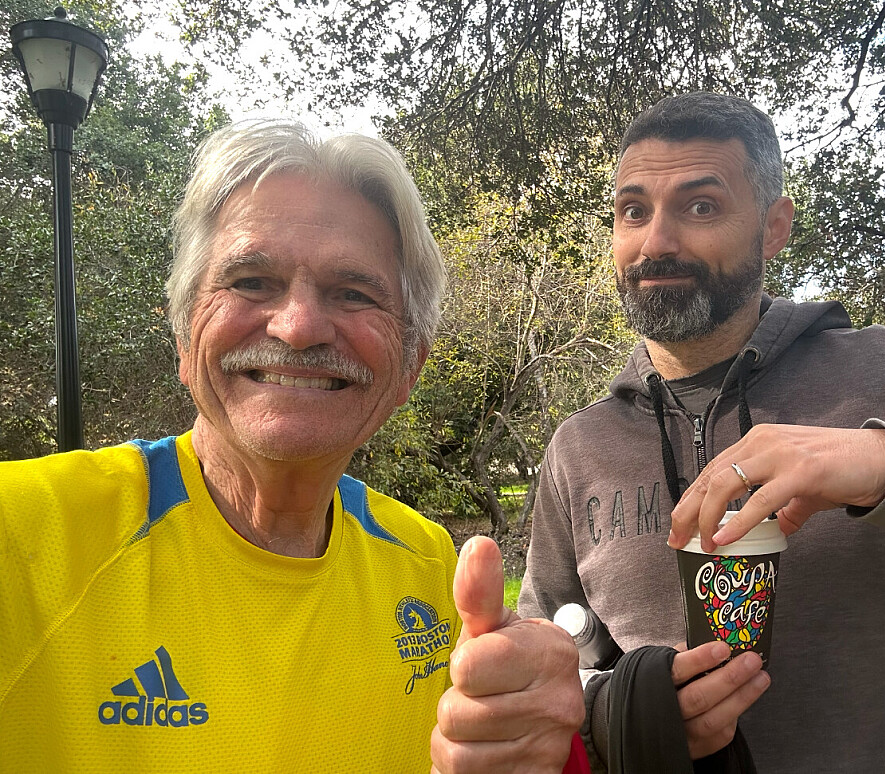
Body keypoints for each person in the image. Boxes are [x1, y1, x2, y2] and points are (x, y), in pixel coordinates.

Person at [0, 120, 584, 773]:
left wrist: (538, 740)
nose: (299, 326)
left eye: (353, 293)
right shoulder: (21, 535)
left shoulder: (425, 564)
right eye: (251, 281)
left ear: (409, 367)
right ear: (184, 337)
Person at [518, 91, 885, 773]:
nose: (656, 242)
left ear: (774, 227)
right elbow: (551, 655)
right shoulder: (579, 448)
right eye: (633, 211)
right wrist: (620, 713)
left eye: (701, 207)